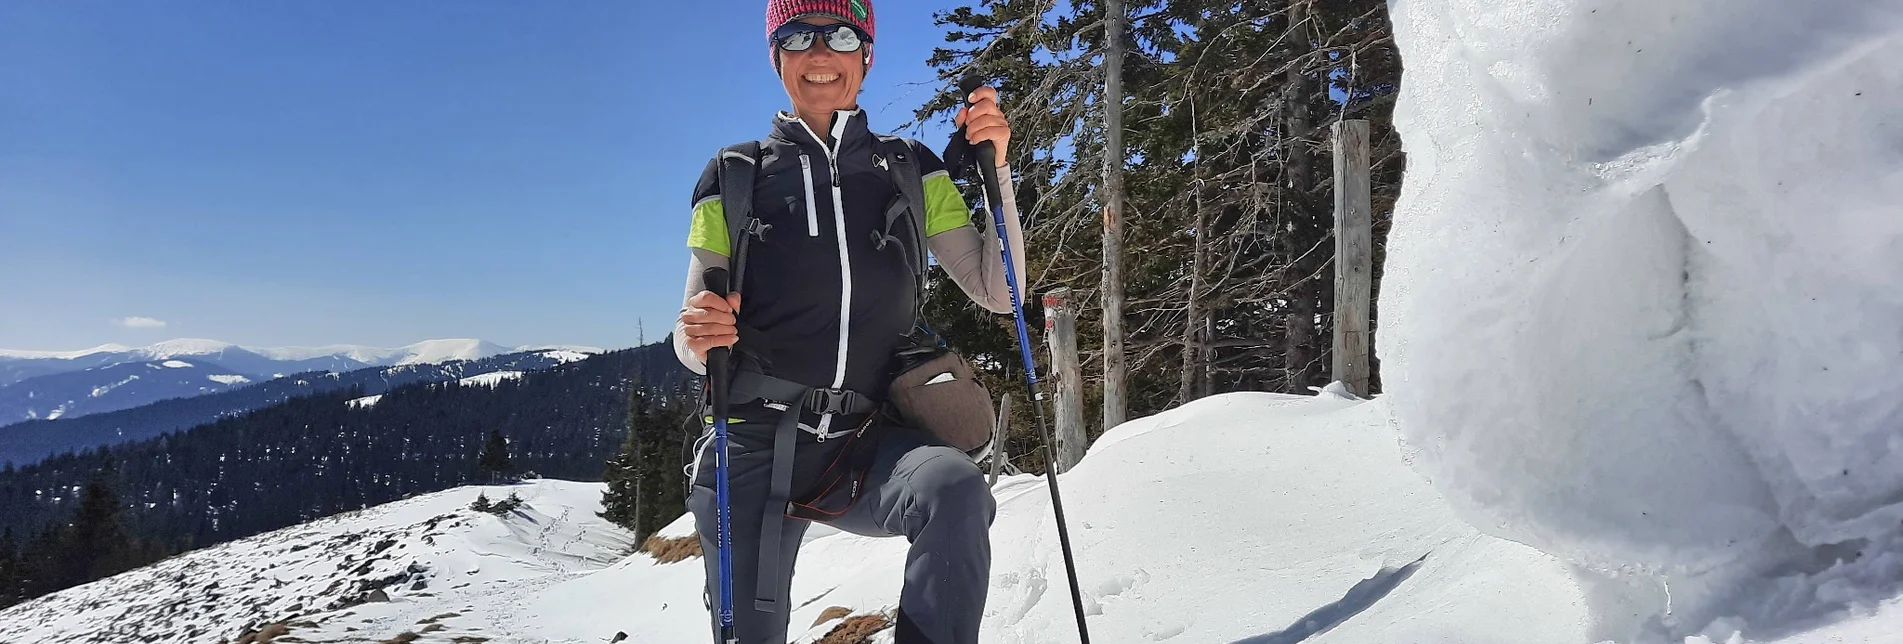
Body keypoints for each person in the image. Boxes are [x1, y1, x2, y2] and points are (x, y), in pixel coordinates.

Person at [671, 1, 1029, 642]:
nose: (819, 54)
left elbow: (998, 293)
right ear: (776, 56)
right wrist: (697, 338)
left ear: (865, 54)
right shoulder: (733, 176)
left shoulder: (912, 170)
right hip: (755, 439)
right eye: (797, 36)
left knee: (955, 489)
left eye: (839, 35)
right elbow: (695, 332)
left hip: (866, 438)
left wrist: (996, 168)